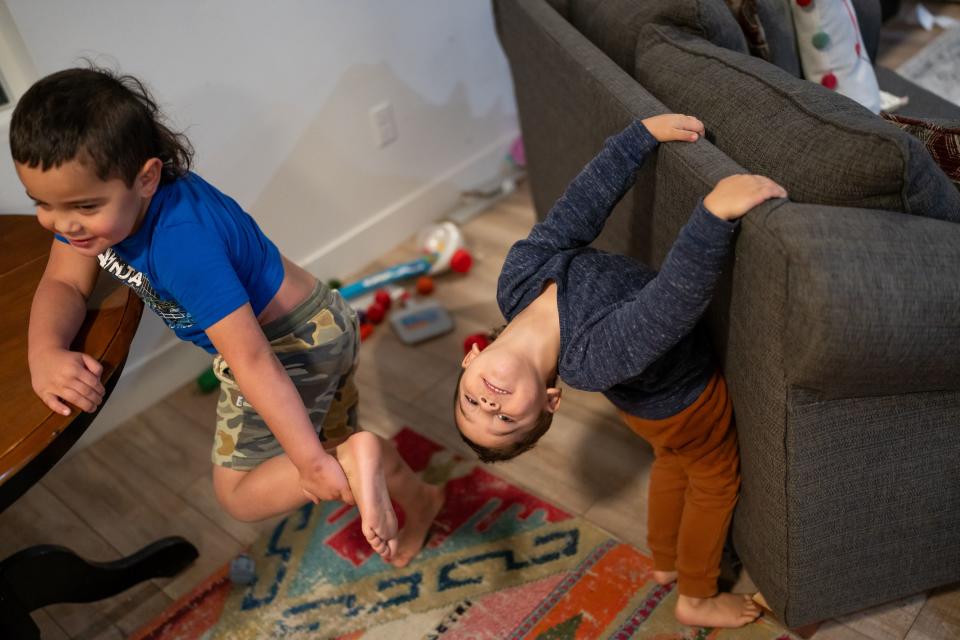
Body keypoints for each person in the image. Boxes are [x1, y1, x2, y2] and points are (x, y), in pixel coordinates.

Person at [11, 66, 443, 567]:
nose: (63, 224)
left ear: (146, 177)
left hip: (287, 345)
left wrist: (308, 465)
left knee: (239, 493)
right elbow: (63, 281)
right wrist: (44, 351)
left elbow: (253, 359)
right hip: (324, 321)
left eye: (84, 206)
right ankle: (417, 496)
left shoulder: (180, 244)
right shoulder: (100, 206)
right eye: (42, 204)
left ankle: (349, 458)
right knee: (340, 441)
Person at [453, 114, 786, 627]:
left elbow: (577, 211)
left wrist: (638, 138)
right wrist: (713, 216)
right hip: (688, 400)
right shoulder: (587, 359)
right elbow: (668, 307)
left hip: (648, 410)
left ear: (470, 358)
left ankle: (664, 562)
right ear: (549, 400)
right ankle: (697, 595)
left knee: (673, 463)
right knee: (713, 482)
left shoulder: (515, 281)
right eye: (504, 420)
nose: (491, 404)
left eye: (473, 403)